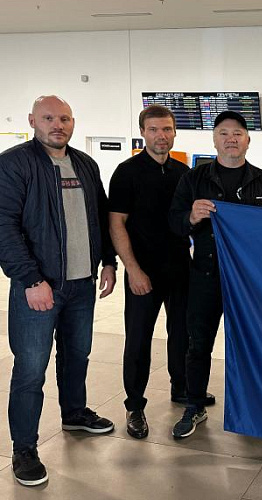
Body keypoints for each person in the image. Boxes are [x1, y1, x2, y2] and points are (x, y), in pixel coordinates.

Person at [0, 95, 117, 487]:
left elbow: (99, 216)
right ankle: (24, 448)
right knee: (31, 368)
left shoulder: (84, 164)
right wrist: (31, 280)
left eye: (64, 118)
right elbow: (4, 227)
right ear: (32, 120)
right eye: (49, 118)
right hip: (38, 286)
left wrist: (108, 261)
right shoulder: (14, 164)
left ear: (73, 122)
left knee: (77, 355)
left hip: (81, 284)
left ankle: (75, 413)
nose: (57, 125)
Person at [169, 111, 262, 439]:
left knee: (252, 345)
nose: (231, 139)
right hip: (205, 276)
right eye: (223, 133)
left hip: (249, 281)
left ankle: (254, 407)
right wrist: (191, 217)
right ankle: (194, 405)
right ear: (214, 139)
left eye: (237, 133)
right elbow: (174, 222)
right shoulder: (194, 180)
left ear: (248, 140)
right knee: (198, 344)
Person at [109, 104, 213, 441]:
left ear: (174, 132)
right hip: (144, 272)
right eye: (154, 129)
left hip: (180, 268)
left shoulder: (185, 173)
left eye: (167, 129)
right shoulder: (127, 172)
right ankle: (134, 406)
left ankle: (181, 388)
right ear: (143, 132)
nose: (161, 136)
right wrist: (133, 270)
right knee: (138, 340)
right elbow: (116, 224)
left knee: (182, 335)